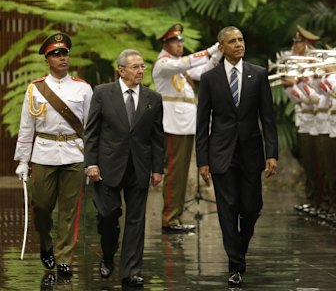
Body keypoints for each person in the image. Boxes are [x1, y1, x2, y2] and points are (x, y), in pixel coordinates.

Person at [195, 26, 278, 286]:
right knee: (227, 209)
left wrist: (272, 153)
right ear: (221, 47)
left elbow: (268, 117)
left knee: (252, 208)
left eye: (241, 39)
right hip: (221, 153)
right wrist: (203, 160)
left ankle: (239, 249)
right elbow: (202, 122)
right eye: (232, 41)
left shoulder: (259, 74)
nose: (239, 44)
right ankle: (234, 264)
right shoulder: (210, 79)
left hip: (251, 152)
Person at [13, 33, 93, 280]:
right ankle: (46, 243)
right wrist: (23, 161)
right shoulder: (35, 89)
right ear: (47, 59)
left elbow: (90, 128)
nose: (62, 58)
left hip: (74, 153)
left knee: (69, 211)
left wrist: (91, 161)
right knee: (43, 207)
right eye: (56, 54)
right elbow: (27, 127)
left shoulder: (83, 88)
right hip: (44, 154)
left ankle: (63, 258)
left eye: (65, 53)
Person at [84, 49, 165, 287]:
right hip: (107, 167)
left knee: (136, 220)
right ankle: (108, 254)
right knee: (107, 216)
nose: (141, 71)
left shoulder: (153, 98)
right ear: (121, 70)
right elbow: (92, 132)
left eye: (143, 66)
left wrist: (157, 168)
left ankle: (131, 271)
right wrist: (91, 163)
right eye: (135, 67)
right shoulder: (102, 93)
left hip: (139, 166)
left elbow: (157, 137)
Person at [152, 23, 221, 233]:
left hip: (185, 126)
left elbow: (204, 71)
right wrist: (210, 50)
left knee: (180, 174)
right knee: (174, 174)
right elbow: (187, 63)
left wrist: (218, 55)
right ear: (166, 44)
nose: (180, 45)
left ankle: (175, 217)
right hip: (174, 126)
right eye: (176, 41)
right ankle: (170, 218)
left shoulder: (178, 67)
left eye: (181, 41)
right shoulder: (164, 64)